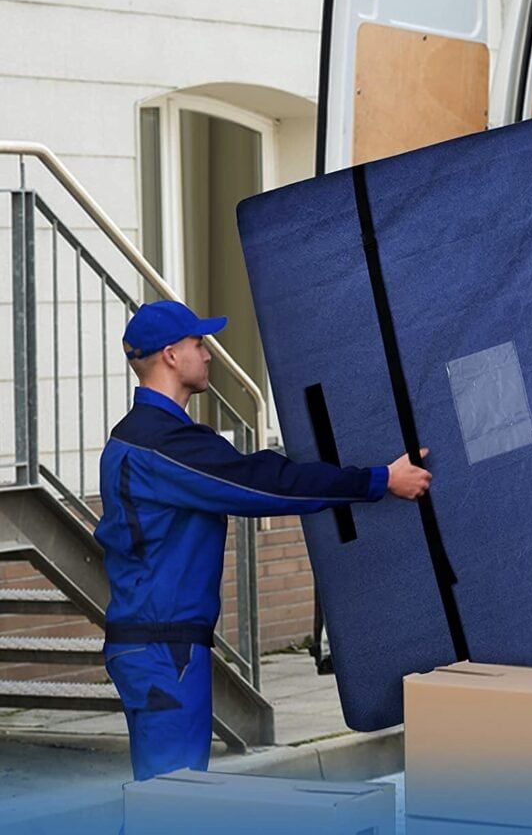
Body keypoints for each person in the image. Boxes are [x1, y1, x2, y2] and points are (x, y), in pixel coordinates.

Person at [96, 300, 431, 781]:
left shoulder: (131, 440)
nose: (207, 354)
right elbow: (266, 483)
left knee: (164, 795)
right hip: (164, 650)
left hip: (150, 644)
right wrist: (380, 480)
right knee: (172, 800)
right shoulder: (165, 446)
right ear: (170, 355)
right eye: (198, 343)